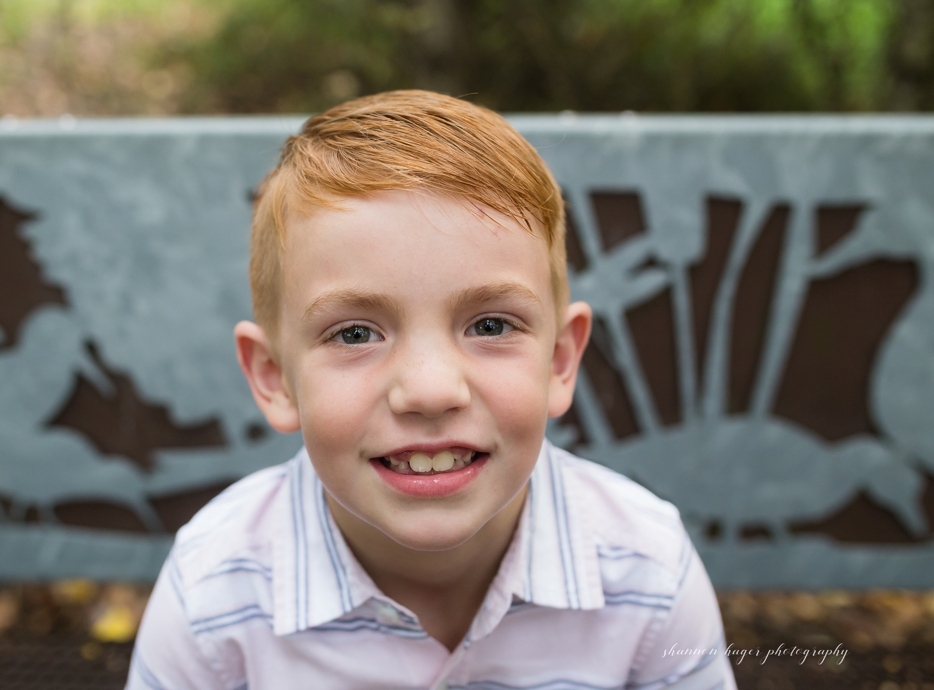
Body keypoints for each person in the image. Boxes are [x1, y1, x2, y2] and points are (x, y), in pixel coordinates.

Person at [127, 91, 734, 689]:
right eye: (356, 332)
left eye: (491, 326)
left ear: (559, 360)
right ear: (274, 377)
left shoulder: (648, 575)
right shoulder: (213, 594)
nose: (429, 390)